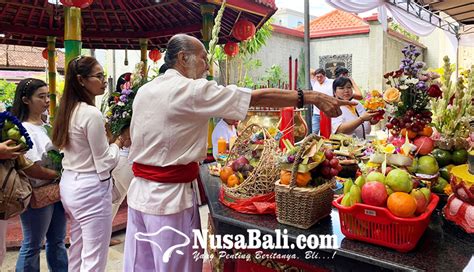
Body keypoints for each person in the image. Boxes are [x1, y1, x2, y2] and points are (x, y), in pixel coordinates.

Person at [124, 33, 356, 272]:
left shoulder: (145, 91)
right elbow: (255, 97)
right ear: (183, 58)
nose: (207, 66)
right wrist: (310, 96)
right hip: (168, 201)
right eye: (203, 58)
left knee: (140, 266)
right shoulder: (189, 90)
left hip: (139, 196)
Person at [52, 56, 129, 272]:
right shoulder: (90, 113)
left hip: (70, 185)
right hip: (90, 189)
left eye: (104, 76)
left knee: (78, 248)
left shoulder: (68, 111)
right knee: (94, 257)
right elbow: (104, 162)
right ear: (81, 80)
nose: (104, 81)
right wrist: (120, 142)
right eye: (99, 76)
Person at [11, 78, 68, 271]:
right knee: (33, 244)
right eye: (41, 97)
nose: (46, 101)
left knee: (58, 241)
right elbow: (31, 168)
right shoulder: (23, 129)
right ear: (26, 100)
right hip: (37, 192)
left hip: (55, 190)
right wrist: (58, 174)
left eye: (47, 96)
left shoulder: (45, 125)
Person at [311, 68, 334, 134]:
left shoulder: (331, 82)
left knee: (327, 131)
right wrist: (316, 71)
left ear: (325, 76)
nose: (319, 79)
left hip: (328, 112)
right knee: (315, 131)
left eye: (321, 76)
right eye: (317, 77)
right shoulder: (314, 82)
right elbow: (310, 71)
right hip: (316, 113)